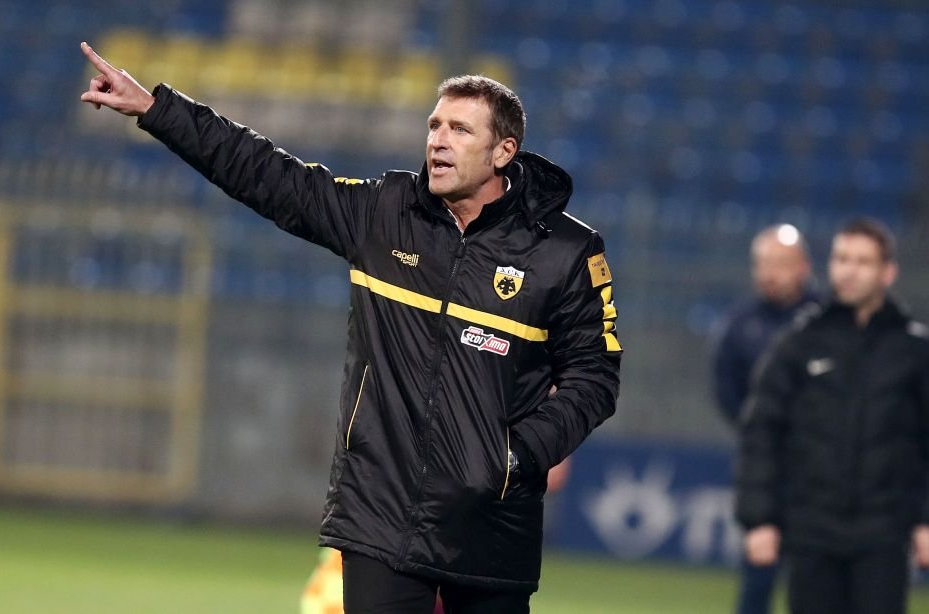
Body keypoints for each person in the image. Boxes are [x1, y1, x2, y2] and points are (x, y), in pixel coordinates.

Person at [78, 41, 622, 613]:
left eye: (460, 130)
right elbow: (268, 174)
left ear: (503, 151)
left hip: (492, 526)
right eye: (434, 125)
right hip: (379, 518)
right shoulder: (384, 215)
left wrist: (515, 457)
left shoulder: (565, 252)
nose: (438, 140)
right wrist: (157, 109)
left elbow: (595, 377)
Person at [736, 218, 929, 614]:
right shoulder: (798, 343)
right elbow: (761, 432)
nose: (849, 270)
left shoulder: (913, 351)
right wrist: (759, 519)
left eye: (863, 261)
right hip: (812, 533)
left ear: (887, 272)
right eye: (842, 259)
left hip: (884, 535)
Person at [711, 224, 816, 614]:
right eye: (763, 263)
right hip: (765, 468)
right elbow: (725, 388)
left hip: (821, 469)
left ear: (803, 267)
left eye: (781, 263)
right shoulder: (739, 323)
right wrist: (758, 430)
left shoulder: (825, 321)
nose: (770, 273)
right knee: (757, 579)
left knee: (818, 582)